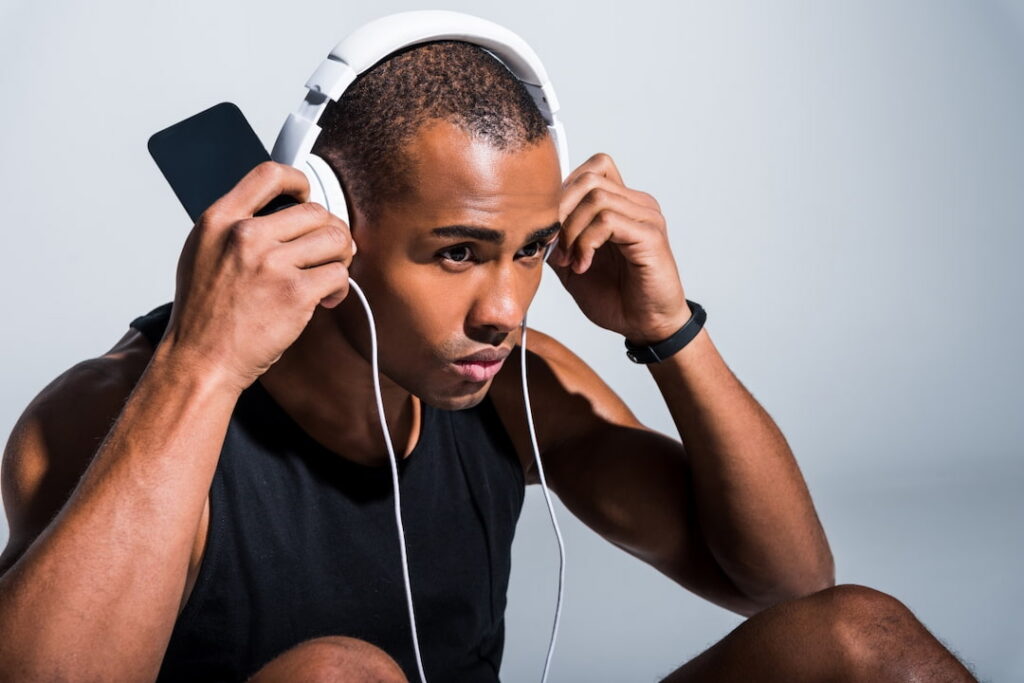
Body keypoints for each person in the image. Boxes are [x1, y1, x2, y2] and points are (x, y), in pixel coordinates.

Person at [0, 40, 976, 682]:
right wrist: (201, 368)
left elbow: (782, 577)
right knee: (339, 675)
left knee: (862, 636)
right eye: (457, 252)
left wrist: (670, 327)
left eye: (528, 250)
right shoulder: (106, 410)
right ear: (323, 224)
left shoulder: (515, 387)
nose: (504, 308)